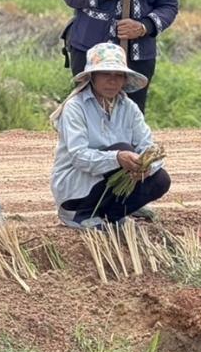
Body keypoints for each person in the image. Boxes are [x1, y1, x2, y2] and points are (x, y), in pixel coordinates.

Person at [50, 42, 171, 229]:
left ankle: (113, 214)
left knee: (160, 179)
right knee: (123, 150)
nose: (112, 81)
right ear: (93, 76)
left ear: (124, 79)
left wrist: (147, 166)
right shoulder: (76, 107)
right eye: (106, 74)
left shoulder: (129, 107)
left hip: (109, 180)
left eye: (118, 75)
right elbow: (79, 157)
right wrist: (117, 158)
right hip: (77, 186)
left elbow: (148, 145)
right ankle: (79, 214)